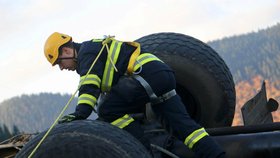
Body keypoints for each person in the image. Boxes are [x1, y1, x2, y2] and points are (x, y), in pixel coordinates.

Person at [44, 32, 225, 158]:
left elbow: (89, 86)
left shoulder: (88, 53)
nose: (62, 68)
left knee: (108, 109)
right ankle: (217, 155)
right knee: (186, 129)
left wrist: (80, 114)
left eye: (60, 63)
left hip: (147, 77)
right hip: (162, 75)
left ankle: (142, 148)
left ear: (66, 51)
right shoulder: (93, 50)